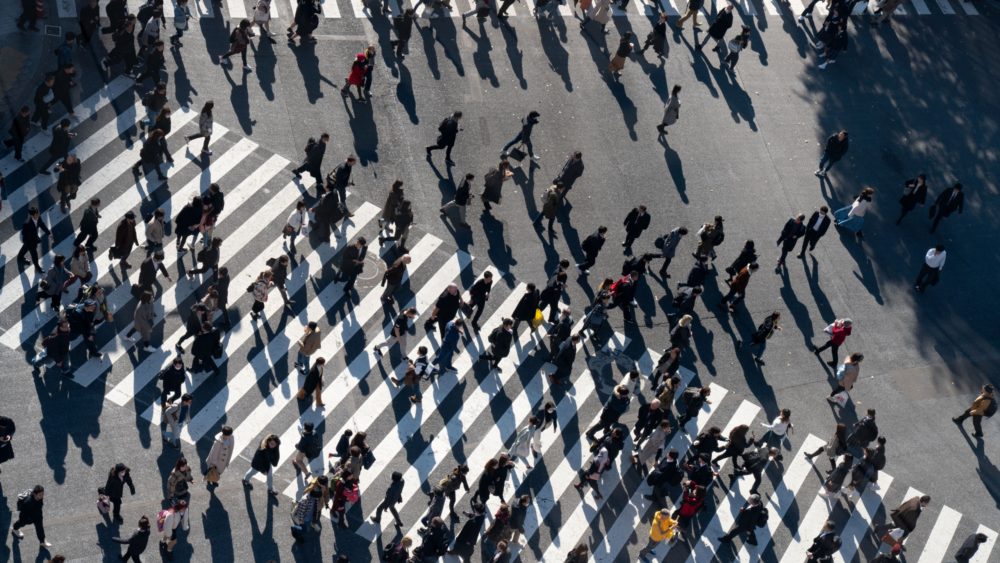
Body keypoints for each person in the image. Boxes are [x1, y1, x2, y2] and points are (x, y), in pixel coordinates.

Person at [17, 206, 52, 272]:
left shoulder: (38, 217)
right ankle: (37, 267)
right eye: (36, 214)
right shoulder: (27, 224)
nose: (38, 215)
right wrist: (28, 243)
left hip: (34, 238)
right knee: (34, 255)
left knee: (25, 248)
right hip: (29, 241)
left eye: (38, 213)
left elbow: (42, 224)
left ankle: (20, 257)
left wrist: (48, 233)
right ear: (32, 215)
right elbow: (24, 234)